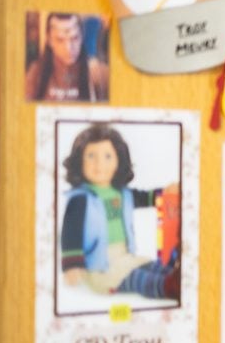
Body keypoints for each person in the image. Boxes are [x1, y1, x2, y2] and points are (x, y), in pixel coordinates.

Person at [58, 123, 180, 300]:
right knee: (134, 279)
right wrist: (71, 266)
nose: (99, 163)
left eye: (108, 156)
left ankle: (173, 276)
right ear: (79, 161)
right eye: (91, 156)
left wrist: (165, 193)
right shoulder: (81, 199)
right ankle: (164, 287)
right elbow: (70, 234)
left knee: (149, 265)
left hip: (125, 257)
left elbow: (145, 197)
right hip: (99, 267)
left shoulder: (123, 194)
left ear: (119, 161)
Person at [25, 12, 108, 102]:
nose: (68, 48)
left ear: (82, 36)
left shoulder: (98, 73)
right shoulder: (35, 74)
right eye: (60, 40)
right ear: (49, 40)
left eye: (74, 38)